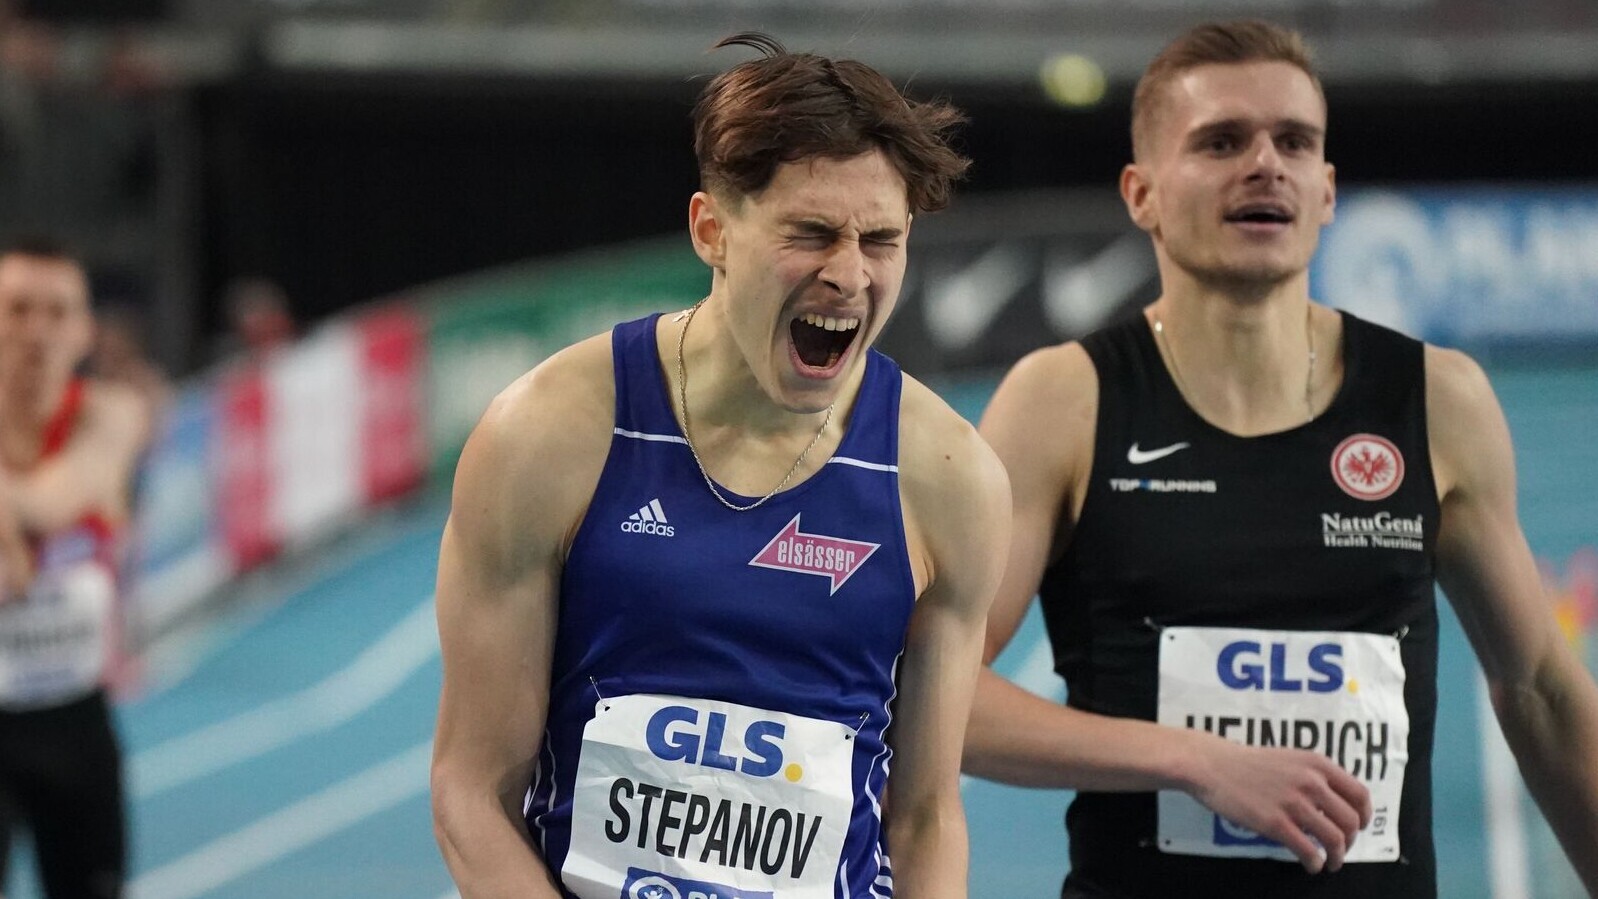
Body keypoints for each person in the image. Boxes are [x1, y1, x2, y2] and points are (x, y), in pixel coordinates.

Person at [963, 19, 1598, 899]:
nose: (1266, 164)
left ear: (1327, 189)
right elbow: (937, 696)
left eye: (1294, 142)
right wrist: (1194, 760)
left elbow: (1540, 689)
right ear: (1140, 193)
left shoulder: (1436, 400)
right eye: (1222, 142)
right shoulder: (1065, 402)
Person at [430, 32, 1010, 899]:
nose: (849, 275)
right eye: (811, 233)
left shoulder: (947, 475)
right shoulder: (551, 433)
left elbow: (925, 817)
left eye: (881, 241)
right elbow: (472, 792)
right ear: (713, 230)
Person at [0, 238, 153, 899]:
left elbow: (62, 496)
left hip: (79, 724)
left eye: (57, 312)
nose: (37, 331)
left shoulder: (112, 415)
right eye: (17, 309)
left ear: (86, 329)